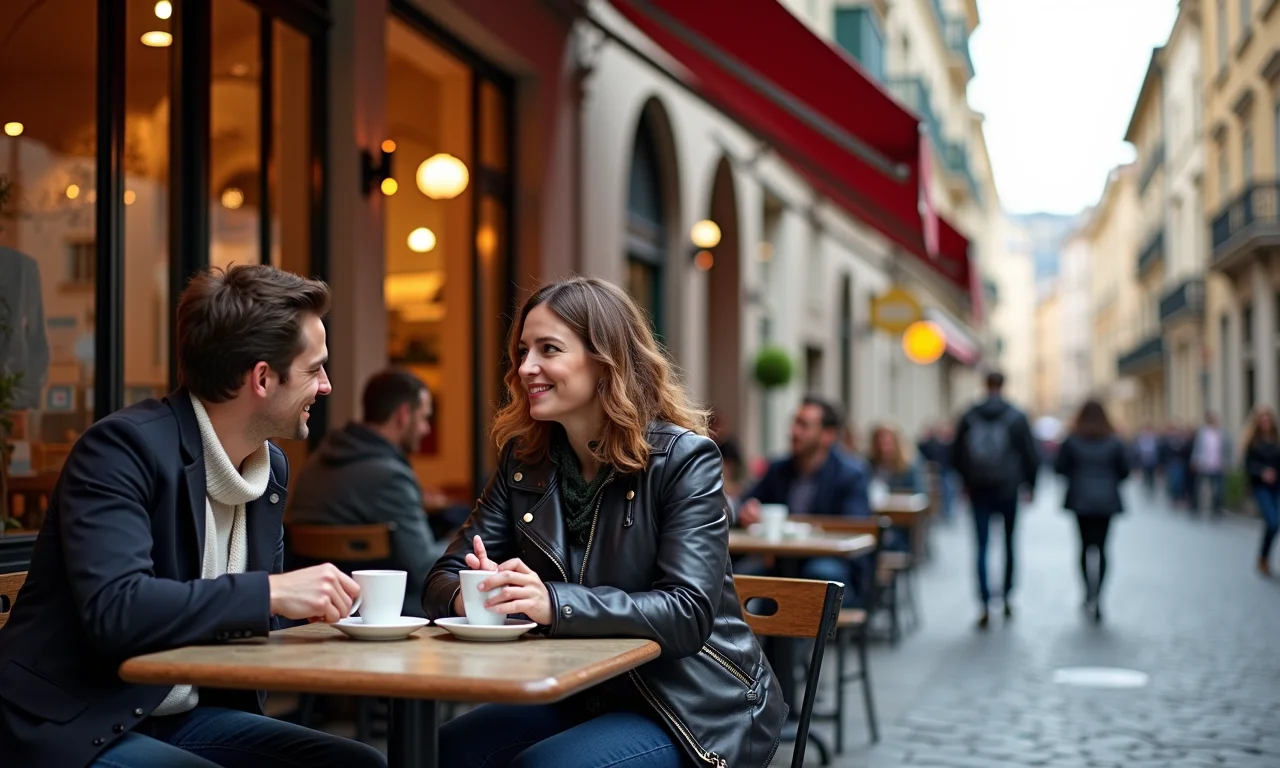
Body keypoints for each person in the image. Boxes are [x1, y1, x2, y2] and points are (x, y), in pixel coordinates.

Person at [0, 265, 386, 768]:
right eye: (315, 369)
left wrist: (297, 610)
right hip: (76, 720)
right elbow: (119, 609)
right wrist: (273, 592)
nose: (327, 386)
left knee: (358, 764)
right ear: (263, 378)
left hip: (179, 714)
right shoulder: (122, 449)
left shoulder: (267, 471)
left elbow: (235, 614)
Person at [421, 277, 785, 767]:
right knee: (447, 748)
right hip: (583, 691)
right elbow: (441, 578)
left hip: (691, 707)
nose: (527, 367)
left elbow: (687, 613)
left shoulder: (683, 460)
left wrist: (552, 602)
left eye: (548, 349)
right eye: (523, 350)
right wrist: (479, 591)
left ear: (605, 360)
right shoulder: (525, 461)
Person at [288, 368, 447, 617]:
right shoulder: (390, 476)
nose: (427, 429)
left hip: (314, 611)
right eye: (425, 418)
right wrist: (463, 542)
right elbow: (425, 567)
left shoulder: (316, 460)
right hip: (378, 612)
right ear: (404, 415)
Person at [737, 397, 872, 604]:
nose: (793, 431)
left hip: (830, 562)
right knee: (734, 574)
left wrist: (796, 527)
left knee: (817, 576)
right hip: (781, 560)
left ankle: (802, 636)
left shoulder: (851, 474)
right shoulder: (778, 469)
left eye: (804, 425)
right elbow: (744, 502)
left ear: (828, 435)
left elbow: (853, 526)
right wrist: (747, 510)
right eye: (794, 423)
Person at [952, 371, 1039, 629]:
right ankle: (1008, 596)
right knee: (1010, 543)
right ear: (1003, 385)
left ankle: (984, 603)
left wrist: (965, 482)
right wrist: (1030, 485)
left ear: (984, 385)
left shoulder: (969, 414)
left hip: (978, 489)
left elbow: (956, 454)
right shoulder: (1017, 416)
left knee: (981, 546)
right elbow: (1030, 454)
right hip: (1008, 488)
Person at [1053, 400, 1130, 623]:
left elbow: (1059, 467)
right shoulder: (1114, 441)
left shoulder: (1073, 440)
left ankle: (1088, 592)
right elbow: (1124, 471)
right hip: (1106, 501)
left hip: (1081, 500)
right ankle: (1099, 596)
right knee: (1103, 548)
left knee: (1084, 548)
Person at [1242, 406, 1280, 576]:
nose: (1266, 423)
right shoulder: (1253, 442)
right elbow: (1248, 466)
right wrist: (1262, 473)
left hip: (1277, 487)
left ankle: (1263, 557)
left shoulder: (1276, 441)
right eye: (1262, 420)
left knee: (1276, 523)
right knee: (1271, 521)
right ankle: (1263, 557)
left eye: (1268, 419)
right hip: (1261, 487)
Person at [868, 423, 926, 494]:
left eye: (887, 444)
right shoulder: (869, 465)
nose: (883, 449)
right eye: (879, 444)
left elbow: (920, 493)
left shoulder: (910, 465)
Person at [1191, 414, 1228, 515]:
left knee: (1217, 489)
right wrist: (1194, 460)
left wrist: (1226, 462)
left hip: (1217, 465)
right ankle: (1196, 507)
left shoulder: (1222, 433)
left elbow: (1226, 448)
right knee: (1199, 487)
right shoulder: (1202, 433)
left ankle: (1216, 509)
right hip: (1203, 464)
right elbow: (1197, 447)